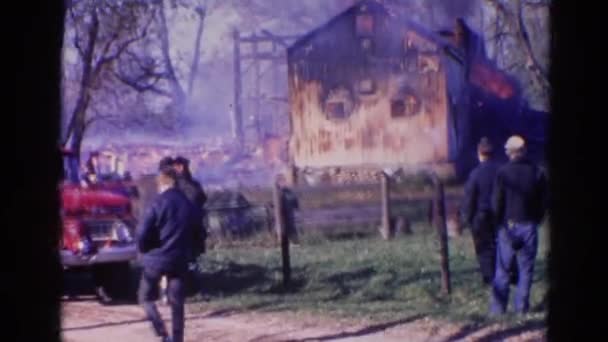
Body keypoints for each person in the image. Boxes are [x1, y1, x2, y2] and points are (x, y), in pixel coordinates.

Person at [137, 166, 204, 342]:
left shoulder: (157, 203)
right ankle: (178, 338)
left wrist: (145, 249)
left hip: (156, 260)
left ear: (162, 183)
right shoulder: (189, 204)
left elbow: (143, 232)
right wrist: (193, 253)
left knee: (145, 297)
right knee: (177, 303)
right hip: (180, 259)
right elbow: (199, 232)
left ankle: (162, 333)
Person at [490, 135, 548, 315]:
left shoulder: (502, 173)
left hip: (508, 226)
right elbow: (544, 201)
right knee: (526, 269)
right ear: (524, 151)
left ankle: (498, 310)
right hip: (529, 225)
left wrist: (499, 223)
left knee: (503, 269)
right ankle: (521, 308)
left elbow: (496, 203)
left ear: (509, 152)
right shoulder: (537, 172)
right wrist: (536, 219)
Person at [462, 137, 500, 285]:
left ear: (480, 153)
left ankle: (489, 276)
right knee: (498, 245)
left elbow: (470, 197)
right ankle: (503, 272)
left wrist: (467, 217)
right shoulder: (501, 171)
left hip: (481, 216)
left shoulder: (475, 174)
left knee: (483, 247)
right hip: (498, 214)